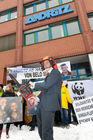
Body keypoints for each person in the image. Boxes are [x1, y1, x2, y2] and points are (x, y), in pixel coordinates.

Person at [29, 56, 62, 140]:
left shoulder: (55, 73)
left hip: (49, 105)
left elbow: (46, 86)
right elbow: (44, 90)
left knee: (46, 130)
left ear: (51, 63)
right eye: (44, 63)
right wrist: (37, 98)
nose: (45, 64)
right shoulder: (47, 76)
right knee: (41, 128)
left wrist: (34, 85)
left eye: (47, 62)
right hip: (42, 105)